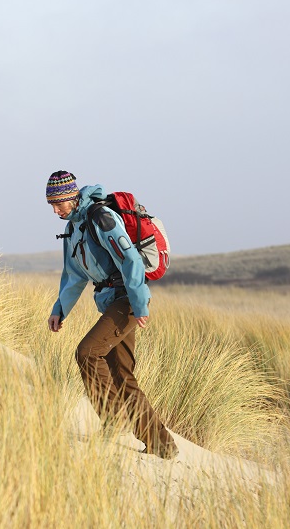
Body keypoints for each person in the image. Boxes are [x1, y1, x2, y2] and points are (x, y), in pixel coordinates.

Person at [45, 170, 178, 459]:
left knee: (87, 352)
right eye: (51, 205)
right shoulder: (73, 228)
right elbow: (73, 275)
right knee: (122, 375)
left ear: (71, 197)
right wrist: (59, 310)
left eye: (58, 204)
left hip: (127, 298)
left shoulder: (100, 218)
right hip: (110, 301)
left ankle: (113, 417)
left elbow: (129, 258)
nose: (55, 210)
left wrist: (140, 303)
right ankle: (162, 445)